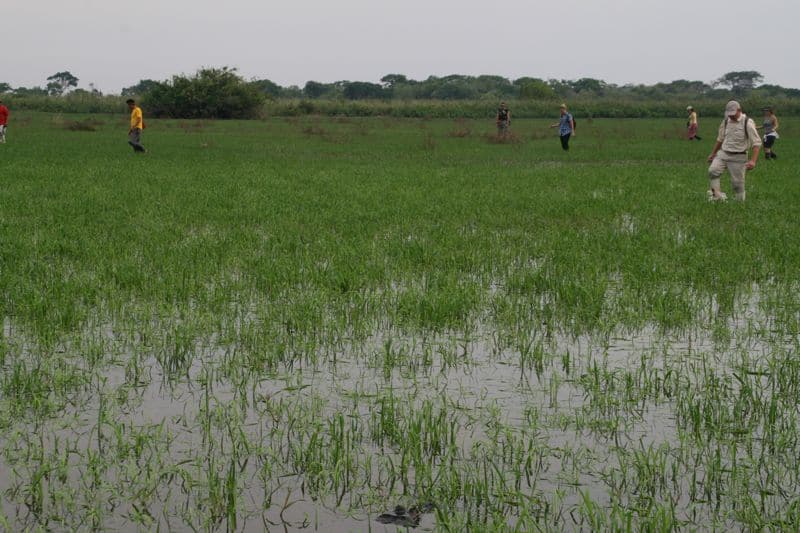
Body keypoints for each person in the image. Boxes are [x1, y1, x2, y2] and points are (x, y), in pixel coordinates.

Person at [706, 100, 761, 201]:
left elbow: (756, 143)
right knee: (712, 171)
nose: (730, 116)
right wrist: (713, 153)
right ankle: (716, 197)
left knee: (737, 184)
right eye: (729, 114)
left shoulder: (747, 122)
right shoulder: (726, 121)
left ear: (739, 110)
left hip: (739, 156)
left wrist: (753, 161)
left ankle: (739, 204)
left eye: (732, 114)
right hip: (723, 153)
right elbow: (720, 139)